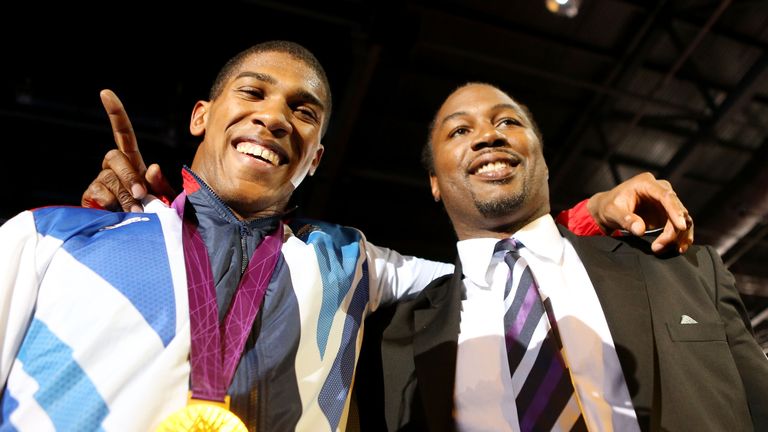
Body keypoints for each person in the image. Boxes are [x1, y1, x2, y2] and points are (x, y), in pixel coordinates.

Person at [0, 41, 691, 431]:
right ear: (202, 115)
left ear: (316, 158)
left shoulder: (349, 261)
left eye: (304, 112)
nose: (275, 117)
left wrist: (593, 212)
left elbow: (492, 276)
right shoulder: (48, 240)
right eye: (253, 93)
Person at [354, 83, 768, 431]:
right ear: (435, 184)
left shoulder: (684, 270)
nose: (487, 136)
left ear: (544, 160)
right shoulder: (397, 339)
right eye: (460, 130)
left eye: (508, 122)